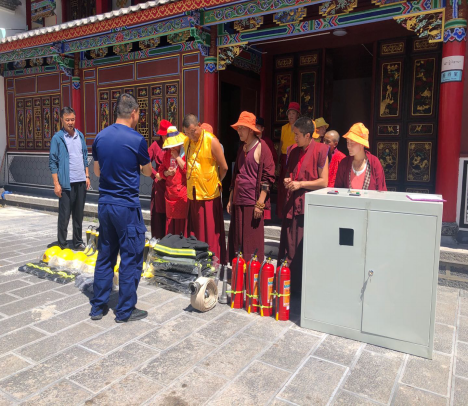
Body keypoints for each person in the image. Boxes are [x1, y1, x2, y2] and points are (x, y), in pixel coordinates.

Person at [90, 93, 152, 323]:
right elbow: (147, 171)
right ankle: (125, 310)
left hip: (105, 204)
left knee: (105, 254)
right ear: (133, 113)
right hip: (126, 206)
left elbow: (97, 171)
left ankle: (98, 307)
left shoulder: (100, 137)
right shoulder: (137, 139)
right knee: (131, 257)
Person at [278, 117, 329, 295]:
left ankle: (301, 289)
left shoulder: (321, 150)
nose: (294, 138)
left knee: (301, 247)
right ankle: (286, 284)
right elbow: (290, 173)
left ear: (308, 135)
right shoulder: (292, 150)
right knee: (288, 244)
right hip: (291, 204)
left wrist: (300, 184)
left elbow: (324, 182)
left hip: (307, 206)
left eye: (297, 135)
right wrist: (288, 181)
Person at [227, 112, 275, 262]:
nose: (239, 131)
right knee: (238, 239)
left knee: (251, 241)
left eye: (242, 128)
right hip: (238, 200)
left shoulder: (262, 147)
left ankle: (252, 272)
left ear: (250, 129)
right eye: (238, 128)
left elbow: (268, 178)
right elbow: (236, 175)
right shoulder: (242, 148)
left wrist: (260, 204)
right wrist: (230, 199)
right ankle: (238, 270)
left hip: (252, 202)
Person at [182, 114, 228, 264]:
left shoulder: (211, 141)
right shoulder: (187, 142)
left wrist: (215, 181)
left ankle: (212, 260)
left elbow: (224, 167)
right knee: (195, 229)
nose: (191, 136)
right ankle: (195, 259)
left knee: (209, 230)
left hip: (209, 194)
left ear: (199, 125)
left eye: (193, 131)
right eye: (187, 133)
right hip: (193, 193)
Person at [49, 107, 90, 250]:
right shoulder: (57, 138)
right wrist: (56, 184)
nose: (70, 122)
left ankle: (78, 241)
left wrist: (87, 175)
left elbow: (84, 156)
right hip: (66, 183)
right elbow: (53, 162)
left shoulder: (80, 135)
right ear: (62, 120)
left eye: (72, 119)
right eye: (67, 120)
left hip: (81, 181)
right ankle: (63, 244)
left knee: (78, 215)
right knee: (64, 215)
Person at [335, 123, 387, 191]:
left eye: (352, 143)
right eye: (347, 142)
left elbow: (381, 190)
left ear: (362, 144)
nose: (348, 146)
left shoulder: (374, 162)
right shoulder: (344, 163)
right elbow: (338, 189)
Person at [158, 126, 188, 236]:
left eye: (174, 145)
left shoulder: (185, 154)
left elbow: (188, 171)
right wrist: (167, 173)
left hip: (182, 194)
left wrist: (177, 157)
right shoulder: (167, 154)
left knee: (182, 226)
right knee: (170, 226)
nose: (172, 148)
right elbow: (161, 171)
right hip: (170, 194)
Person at [277, 102, 301, 219]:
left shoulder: (300, 128)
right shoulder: (284, 128)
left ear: (298, 115)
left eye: (293, 113)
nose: (290, 116)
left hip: (295, 157)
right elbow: (281, 144)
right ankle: (281, 214)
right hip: (284, 157)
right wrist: (277, 162)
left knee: (292, 183)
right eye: (289, 113)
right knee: (283, 186)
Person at [148, 119, 171, 239]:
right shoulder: (155, 145)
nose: (166, 137)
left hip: (173, 186)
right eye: (164, 135)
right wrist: (155, 174)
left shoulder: (175, 145)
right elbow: (145, 162)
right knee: (159, 216)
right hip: (160, 186)